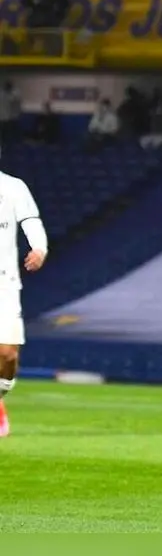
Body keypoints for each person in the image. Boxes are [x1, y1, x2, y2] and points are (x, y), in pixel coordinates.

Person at [0, 170, 48, 437]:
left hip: (4, 283)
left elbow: (31, 221)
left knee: (8, 355)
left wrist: (39, 249)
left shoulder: (13, 187)